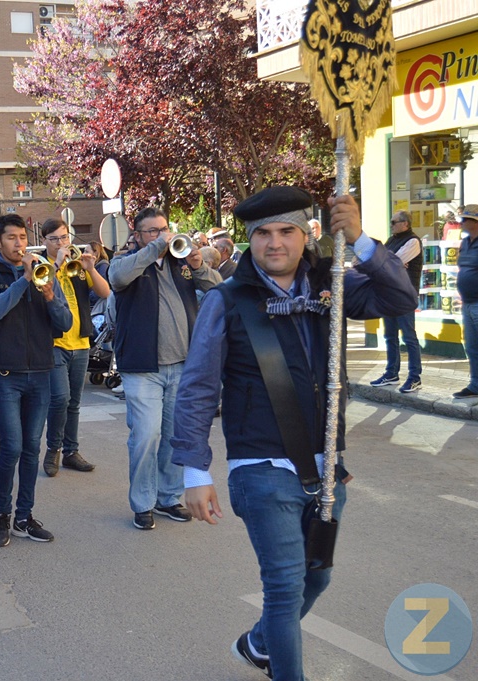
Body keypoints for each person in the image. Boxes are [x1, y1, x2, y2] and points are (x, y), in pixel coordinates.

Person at [171, 188, 417, 681]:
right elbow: (197, 387)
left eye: (287, 231)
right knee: (284, 589)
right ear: (249, 240)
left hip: (328, 467)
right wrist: (194, 470)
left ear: (307, 235)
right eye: (263, 233)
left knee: (317, 578)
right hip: (262, 469)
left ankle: (260, 643)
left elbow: (399, 296)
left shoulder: (333, 284)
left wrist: (363, 240)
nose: (275, 243)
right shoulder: (227, 299)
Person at [108, 207, 220, 531]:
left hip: (182, 365)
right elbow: (116, 279)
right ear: (138, 235)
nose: (161, 235)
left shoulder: (181, 262)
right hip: (143, 369)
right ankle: (143, 503)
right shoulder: (126, 263)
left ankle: (168, 497)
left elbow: (217, 290)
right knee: (145, 435)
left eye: (164, 229)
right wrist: (154, 249)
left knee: (173, 436)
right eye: (152, 231)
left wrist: (199, 266)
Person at [0, 214, 72, 547]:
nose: (19, 244)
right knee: (12, 447)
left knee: (32, 448)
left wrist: (48, 294)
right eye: (12, 238)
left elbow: (65, 321)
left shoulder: (45, 272)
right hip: (5, 375)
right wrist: (23, 281)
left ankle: (24, 517)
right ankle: (2, 514)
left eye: (22, 237)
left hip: (41, 372)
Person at [39, 218, 109, 477]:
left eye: (65, 237)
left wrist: (91, 269)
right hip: (54, 342)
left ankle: (71, 452)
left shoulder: (79, 266)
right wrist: (57, 263)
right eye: (55, 238)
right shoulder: (41, 266)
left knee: (74, 402)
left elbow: (105, 293)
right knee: (59, 399)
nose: (61, 243)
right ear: (44, 241)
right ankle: (52, 450)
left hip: (80, 342)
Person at [369, 210, 423, 394]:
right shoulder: (392, 240)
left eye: (394, 222)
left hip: (404, 295)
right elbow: (381, 261)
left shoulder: (413, 241)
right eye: (391, 222)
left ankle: (415, 377)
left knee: (409, 337)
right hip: (388, 295)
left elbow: (391, 262)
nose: (391, 225)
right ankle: (391, 373)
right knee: (390, 336)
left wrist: (388, 262)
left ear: (405, 224)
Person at [454, 205, 478, 399]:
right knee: (471, 346)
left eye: (465, 220)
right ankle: (476, 385)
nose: (461, 223)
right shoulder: (464, 243)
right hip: (467, 303)